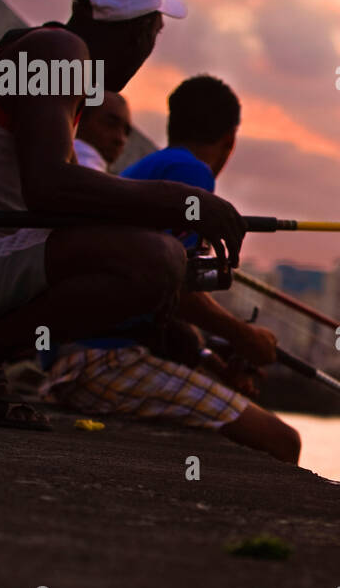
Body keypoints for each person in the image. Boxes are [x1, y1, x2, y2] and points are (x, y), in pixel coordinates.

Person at [0, 0, 298, 463]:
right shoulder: (57, 51)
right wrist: (182, 203)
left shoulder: (59, 60)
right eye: (154, 33)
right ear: (142, 36)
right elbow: (49, 188)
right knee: (155, 261)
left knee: (160, 258)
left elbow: (63, 203)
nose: (151, 49)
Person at [39, 75, 300, 463]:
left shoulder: (150, 167)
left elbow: (151, 297)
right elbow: (173, 287)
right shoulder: (191, 173)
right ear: (230, 141)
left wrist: (211, 359)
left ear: (171, 124)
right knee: (281, 441)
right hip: (99, 362)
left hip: (72, 355)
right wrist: (244, 336)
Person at [72, 90, 131, 170]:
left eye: (127, 132)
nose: (120, 139)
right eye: (111, 124)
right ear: (81, 119)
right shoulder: (85, 167)